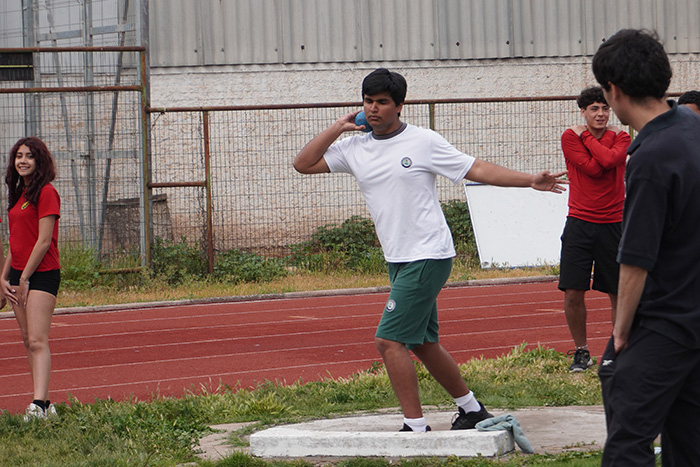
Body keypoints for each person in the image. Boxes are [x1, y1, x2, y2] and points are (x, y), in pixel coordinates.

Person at [293, 68, 567, 432]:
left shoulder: (422, 142)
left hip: (429, 253)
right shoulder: (354, 147)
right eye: (368, 102)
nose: (373, 109)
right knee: (422, 343)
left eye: (382, 102)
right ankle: (472, 410)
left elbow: (477, 168)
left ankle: (415, 427)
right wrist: (338, 126)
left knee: (389, 341)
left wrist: (529, 181)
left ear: (400, 106)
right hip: (398, 257)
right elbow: (303, 164)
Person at [592, 29, 700, 465]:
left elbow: (635, 260)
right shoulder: (692, 127)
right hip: (694, 319)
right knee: (688, 441)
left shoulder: (652, 156)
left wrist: (621, 332)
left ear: (613, 91)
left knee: (626, 442)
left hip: (665, 321)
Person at [558, 86, 631, 372]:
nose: (600, 114)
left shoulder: (622, 136)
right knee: (573, 291)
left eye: (604, 108)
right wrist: (590, 144)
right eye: (594, 109)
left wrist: (586, 135)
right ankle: (582, 352)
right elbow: (592, 168)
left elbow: (610, 161)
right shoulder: (568, 136)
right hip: (579, 222)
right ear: (583, 112)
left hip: (614, 223)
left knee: (617, 292)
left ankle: (617, 349)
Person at [1, 137, 61, 421]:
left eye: (29, 156)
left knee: (38, 339)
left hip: (41, 274)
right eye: (18, 156)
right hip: (17, 275)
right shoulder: (18, 196)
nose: (22, 161)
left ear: (39, 161)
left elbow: (44, 240)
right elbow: (16, 242)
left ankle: (37, 405)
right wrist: (3, 278)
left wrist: (24, 278)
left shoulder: (47, 192)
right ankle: (45, 405)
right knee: (28, 340)